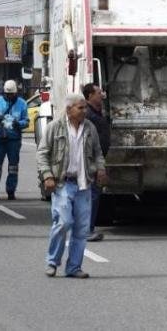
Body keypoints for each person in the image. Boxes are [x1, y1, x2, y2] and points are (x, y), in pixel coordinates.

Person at [38, 94, 107, 279]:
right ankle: (52, 262)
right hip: (62, 183)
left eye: (85, 108)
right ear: (69, 110)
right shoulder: (55, 127)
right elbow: (42, 153)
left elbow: (98, 153)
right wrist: (47, 176)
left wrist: (100, 169)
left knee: (81, 229)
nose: (84, 111)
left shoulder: (89, 128)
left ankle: (74, 267)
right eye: (80, 108)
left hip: (84, 184)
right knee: (63, 222)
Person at [0, 80, 29, 200]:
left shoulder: (22, 104)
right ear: (4, 93)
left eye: (12, 94)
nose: (9, 96)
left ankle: (11, 191)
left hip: (14, 140)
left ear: (16, 93)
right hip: (0, 139)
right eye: (7, 94)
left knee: (13, 166)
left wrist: (18, 123)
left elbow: (26, 121)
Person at [82, 83, 111, 241]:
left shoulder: (97, 112)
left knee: (93, 194)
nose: (102, 95)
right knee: (91, 195)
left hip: (97, 158)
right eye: (99, 93)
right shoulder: (87, 114)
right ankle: (86, 230)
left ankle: (87, 229)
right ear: (90, 96)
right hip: (90, 161)